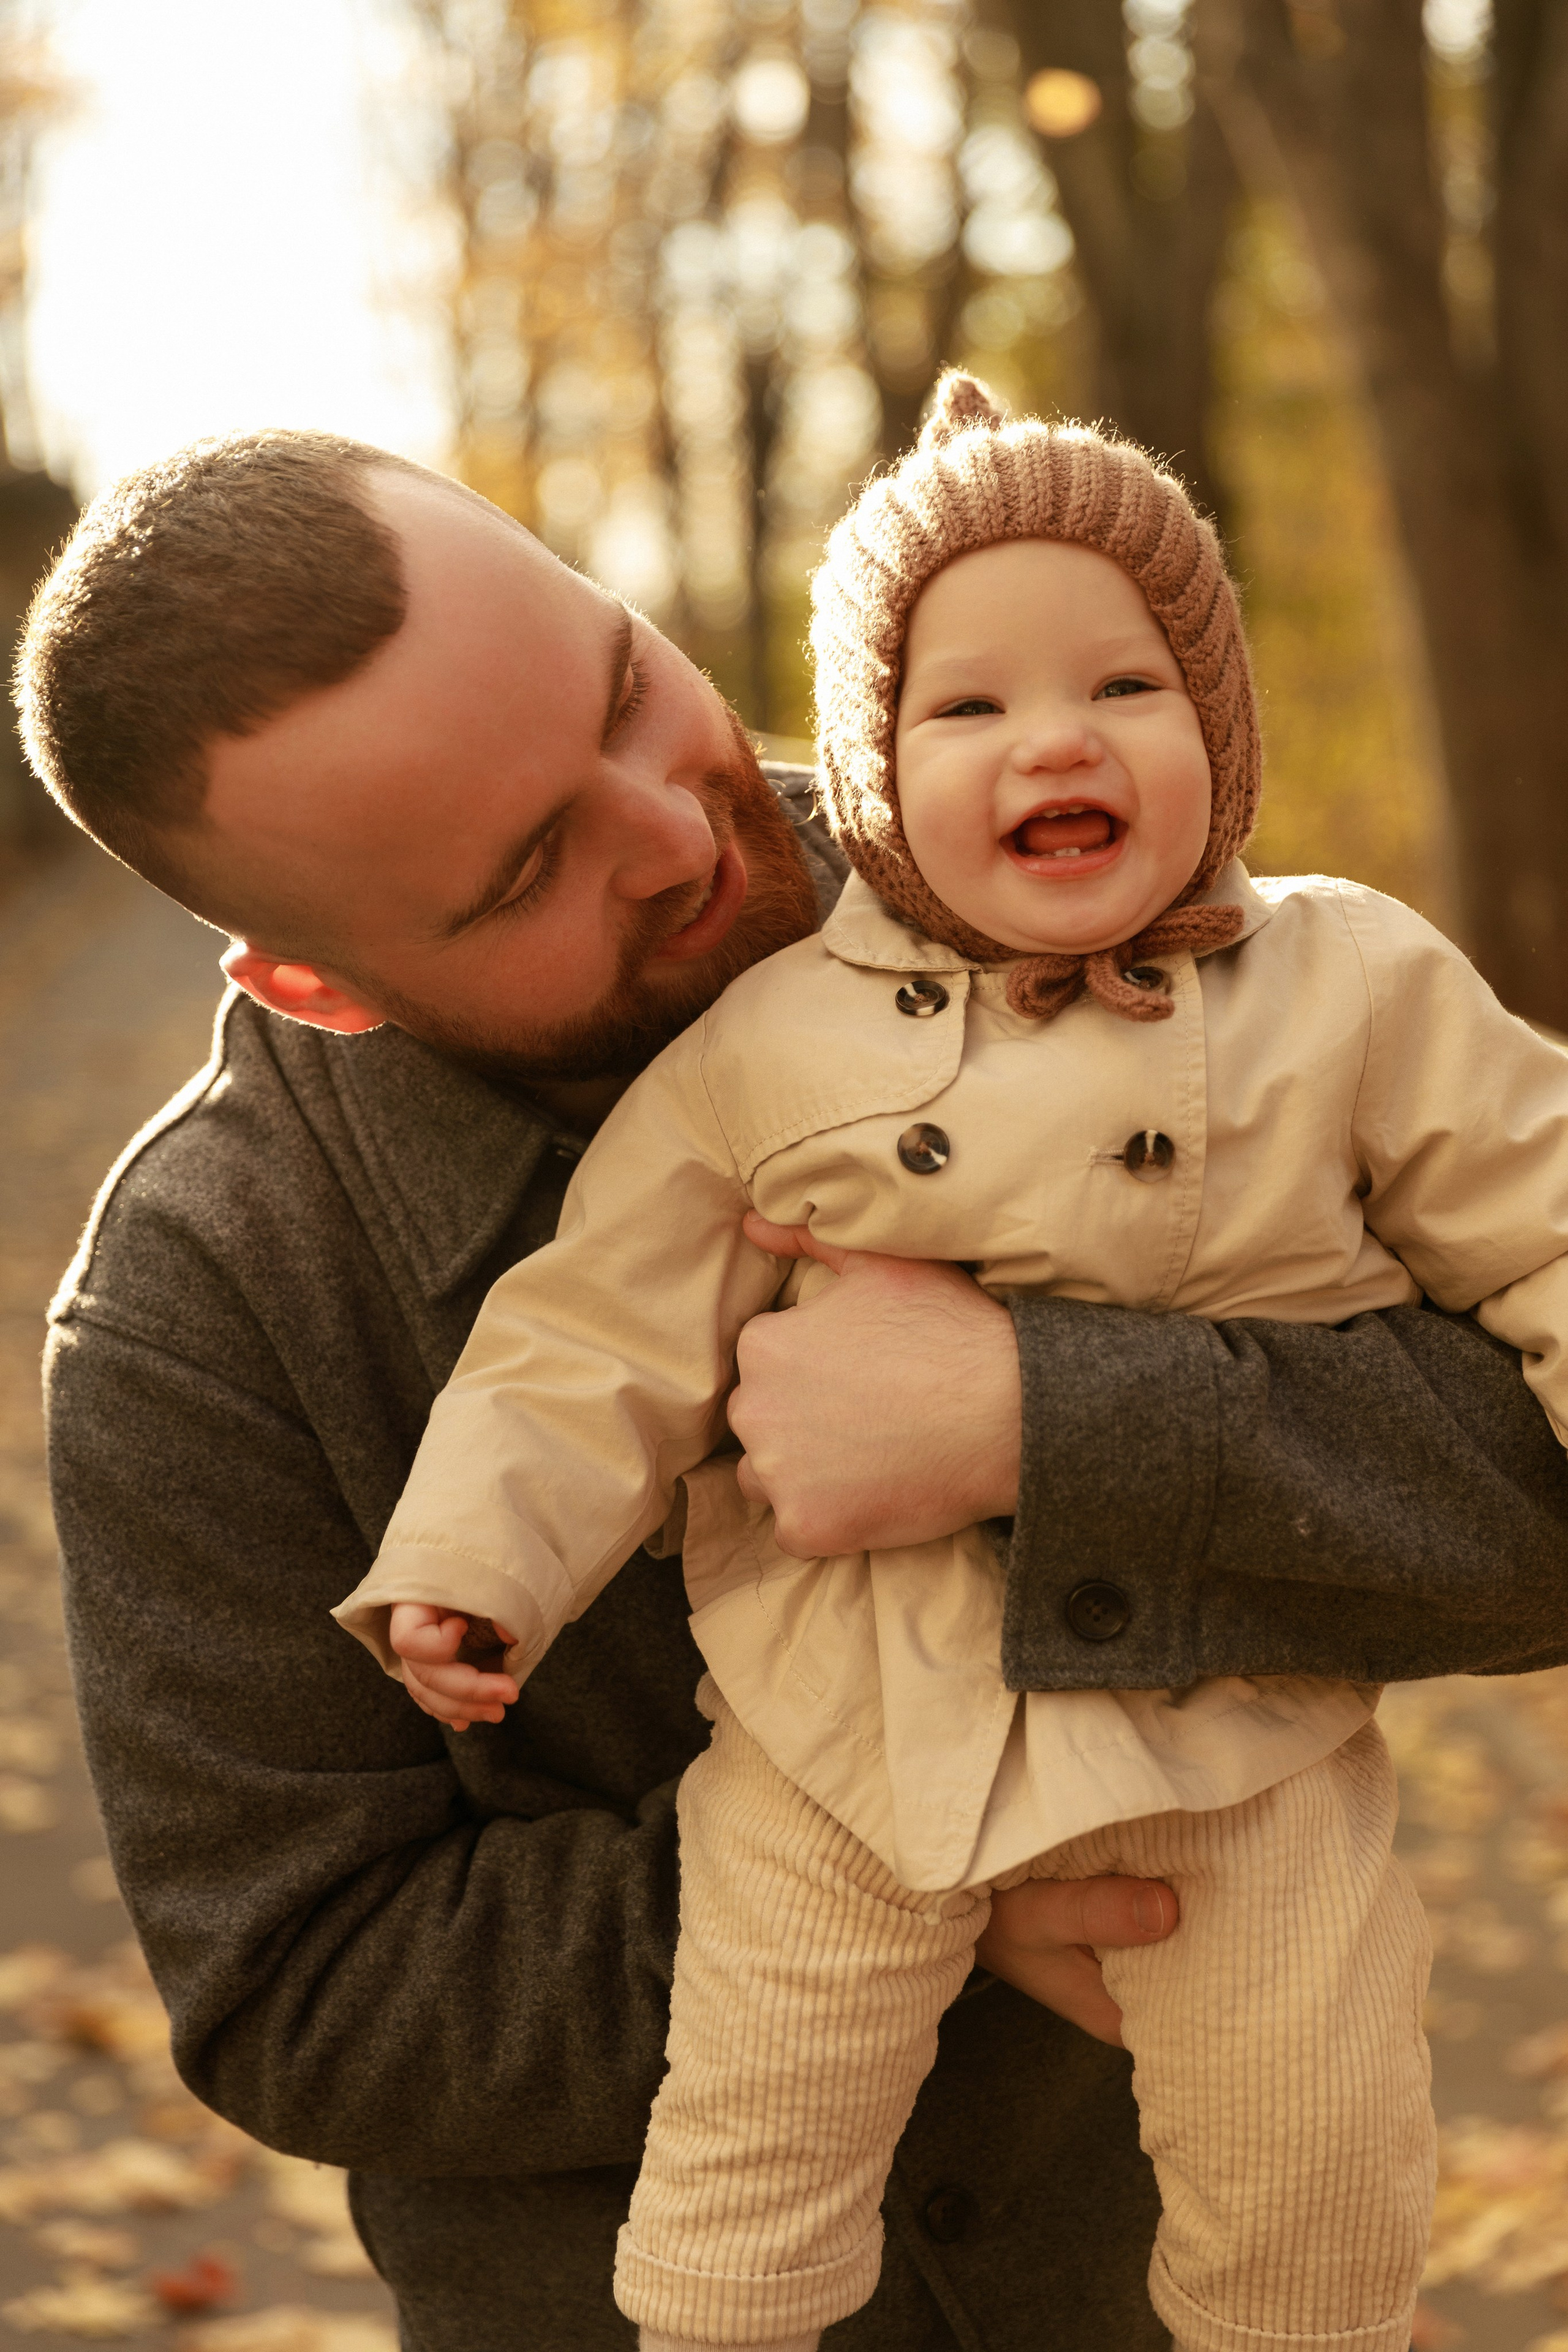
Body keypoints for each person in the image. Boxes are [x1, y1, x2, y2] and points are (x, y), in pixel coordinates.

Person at [20, 425, 1568, 2352]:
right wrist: (906, 1872)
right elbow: (302, 1994)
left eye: (623, 687)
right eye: (524, 873)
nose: (675, 831)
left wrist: (1048, 1415)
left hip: (1169, 2270)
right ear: (320, 985)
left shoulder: (1071, 851)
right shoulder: (206, 1310)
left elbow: (1536, 1495)